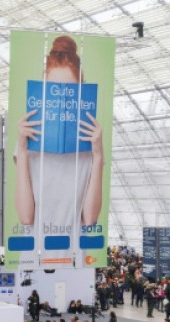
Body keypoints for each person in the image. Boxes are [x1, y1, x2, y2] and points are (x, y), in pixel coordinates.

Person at [14, 36, 104, 252]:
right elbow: (26, 218)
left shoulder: (91, 144)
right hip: (34, 252)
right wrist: (23, 151)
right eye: (55, 90)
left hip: (75, 252)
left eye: (70, 91)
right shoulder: (28, 140)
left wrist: (98, 156)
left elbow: (90, 219)